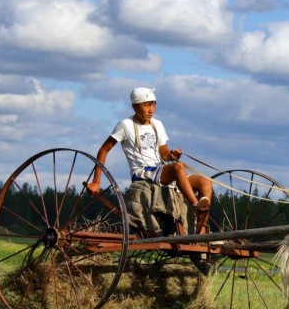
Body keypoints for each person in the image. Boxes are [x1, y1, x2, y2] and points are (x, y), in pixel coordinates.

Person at [86, 87, 213, 229]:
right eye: (146, 105)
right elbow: (103, 150)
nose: (151, 109)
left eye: (153, 104)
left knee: (205, 183)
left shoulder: (157, 124)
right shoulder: (125, 125)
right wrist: (96, 181)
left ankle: (202, 230)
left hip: (161, 170)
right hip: (143, 172)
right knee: (178, 167)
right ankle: (196, 206)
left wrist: (171, 155)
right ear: (135, 106)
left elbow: (164, 154)